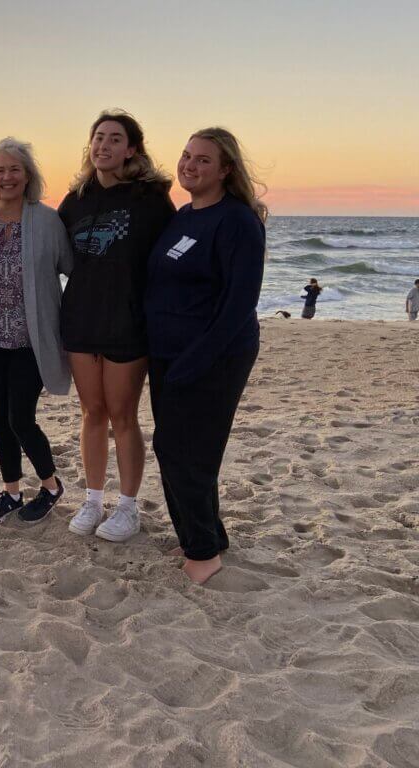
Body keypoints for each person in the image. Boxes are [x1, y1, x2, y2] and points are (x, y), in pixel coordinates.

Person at [144, 127, 267, 585]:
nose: (190, 166)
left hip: (214, 356)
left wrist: (196, 361)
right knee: (180, 449)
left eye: (203, 160)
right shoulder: (182, 216)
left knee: (184, 451)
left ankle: (203, 555)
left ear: (225, 170)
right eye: (187, 156)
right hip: (168, 355)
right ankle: (206, 533)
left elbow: (240, 303)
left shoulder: (237, 221)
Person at [58, 110, 175, 543]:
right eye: (98, 138)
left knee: (123, 415)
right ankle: (92, 499)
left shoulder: (150, 199)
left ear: (131, 149)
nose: (104, 145)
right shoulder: (76, 199)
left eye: (114, 139)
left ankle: (127, 507)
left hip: (128, 322)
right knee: (91, 413)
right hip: (81, 319)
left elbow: (172, 260)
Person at [0, 138, 72, 524]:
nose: (7, 177)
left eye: (15, 169)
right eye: (0, 170)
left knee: (20, 418)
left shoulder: (47, 220)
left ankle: (49, 485)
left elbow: (71, 269)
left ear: (28, 175)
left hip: (32, 339)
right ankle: (11, 492)